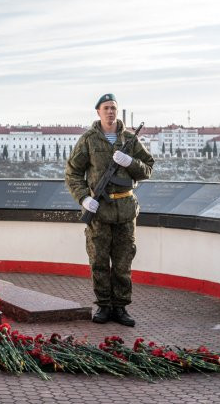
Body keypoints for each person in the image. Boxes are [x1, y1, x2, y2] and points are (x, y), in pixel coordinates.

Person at [64, 93, 154, 327]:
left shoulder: (130, 140)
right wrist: (83, 198)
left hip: (124, 211)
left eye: (113, 107)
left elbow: (148, 169)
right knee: (99, 261)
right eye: (106, 108)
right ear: (98, 112)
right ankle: (104, 306)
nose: (110, 112)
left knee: (123, 261)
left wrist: (130, 163)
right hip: (99, 211)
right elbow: (72, 173)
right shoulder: (88, 140)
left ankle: (120, 308)